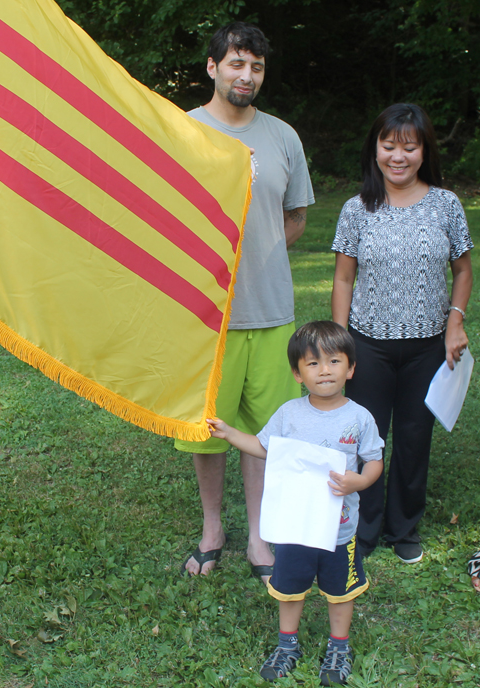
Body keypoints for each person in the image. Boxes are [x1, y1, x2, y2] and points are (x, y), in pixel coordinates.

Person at [175, 22, 315, 581]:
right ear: (213, 68)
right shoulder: (181, 132)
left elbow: (298, 215)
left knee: (265, 433)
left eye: (255, 66)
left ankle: (259, 538)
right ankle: (214, 528)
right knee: (210, 429)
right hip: (208, 320)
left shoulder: (283, 137)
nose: (246, 75)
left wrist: (257, 253)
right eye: (236, 63)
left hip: (274, 310)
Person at [331, 103, 473, 564]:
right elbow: (343, 280)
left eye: (409, 147)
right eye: (389, 145)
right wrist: (339, 344)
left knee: (414, 437)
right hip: (367, 345)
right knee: (367, 439)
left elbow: (464, 270)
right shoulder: (357, 209)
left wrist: (455, 321)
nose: (398, 156)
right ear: (375, 149)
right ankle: (365, 529)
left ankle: (404, 528)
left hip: (427, 347)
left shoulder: (446, 204)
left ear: (423, 151)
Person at [208, 321, 384, 685]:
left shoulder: (359, 417)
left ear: (350, 368)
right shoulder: (289, 414)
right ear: (297, 373)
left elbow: (375, 458)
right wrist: (229, 433)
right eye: (313, 363)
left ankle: (339, 647)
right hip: (294, 528)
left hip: (340, 529)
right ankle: (287, 645)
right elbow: (263, 447)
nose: (325, 371)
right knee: (289, 587)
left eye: (334, 362)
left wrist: (362, 479)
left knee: (340, 591)